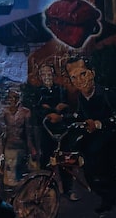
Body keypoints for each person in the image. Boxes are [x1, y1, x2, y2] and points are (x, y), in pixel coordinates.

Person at [64, 54, 116, 213]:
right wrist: (62, 117)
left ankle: (110, 192)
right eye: (74, 77)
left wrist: (98, 124)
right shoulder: (81, 97)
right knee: (79, 150)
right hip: (94, 137)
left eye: (83, 73)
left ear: (93, 73)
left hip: (114, 135)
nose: (79, 80)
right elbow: (79, 115)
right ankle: (97, 187)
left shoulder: (106, 94)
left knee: (99, 155)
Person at [25, 63, 77, 200]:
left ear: (54, 75)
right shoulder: (37, 93)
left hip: (62, 130)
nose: (47, 77)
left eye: (49, 74)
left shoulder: (61, 90)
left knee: (65, 159)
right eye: (44, 74)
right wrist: (52, 112)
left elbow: (66, 109)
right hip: (46, 131)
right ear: (40, 77)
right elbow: (38, 111)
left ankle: (68, 189)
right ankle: (46, 188)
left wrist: (57, 114)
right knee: (46, 159)